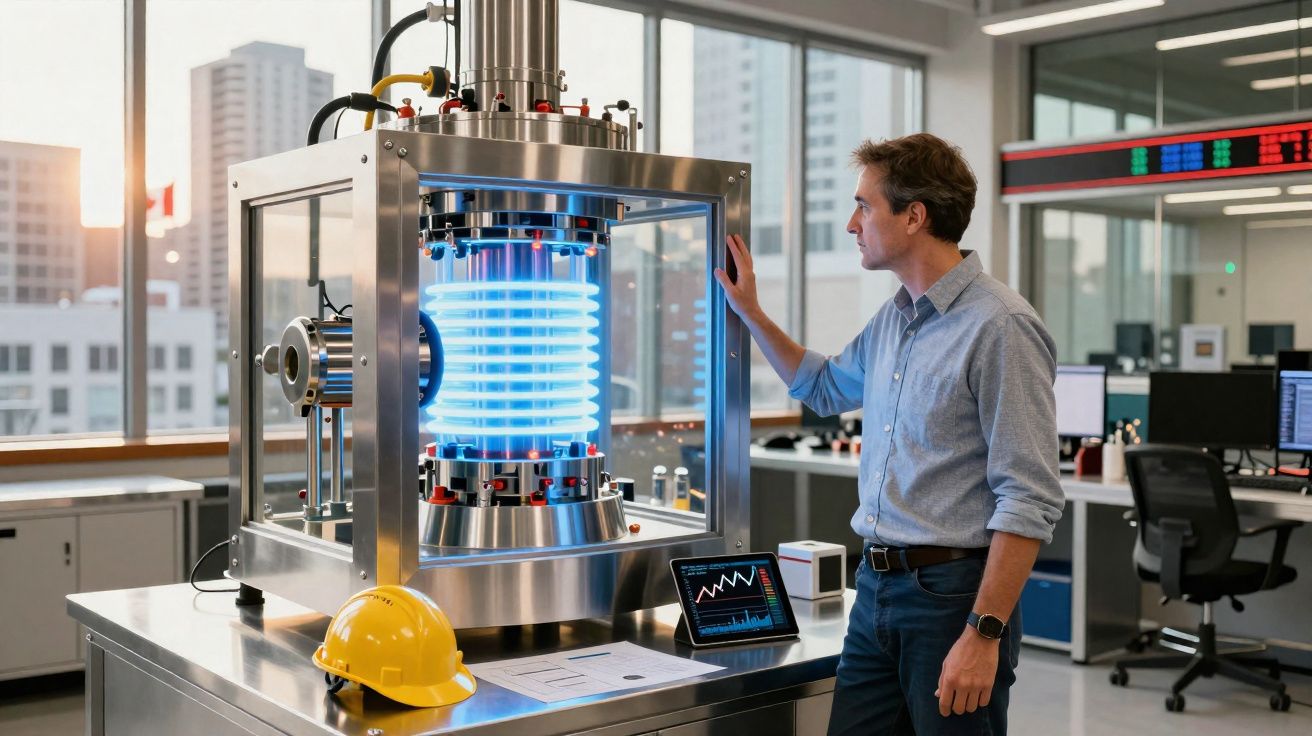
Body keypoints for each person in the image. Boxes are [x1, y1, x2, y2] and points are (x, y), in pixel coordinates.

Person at [714, 133, 1064, 735]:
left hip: (953, 598)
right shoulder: (895, 318)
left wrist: (984, 633)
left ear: (914, 216)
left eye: (865, 206)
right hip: (875, 587)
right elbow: (823, 388)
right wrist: (751, 312)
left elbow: (1028, 499)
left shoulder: (1000, 326)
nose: (852, 223)